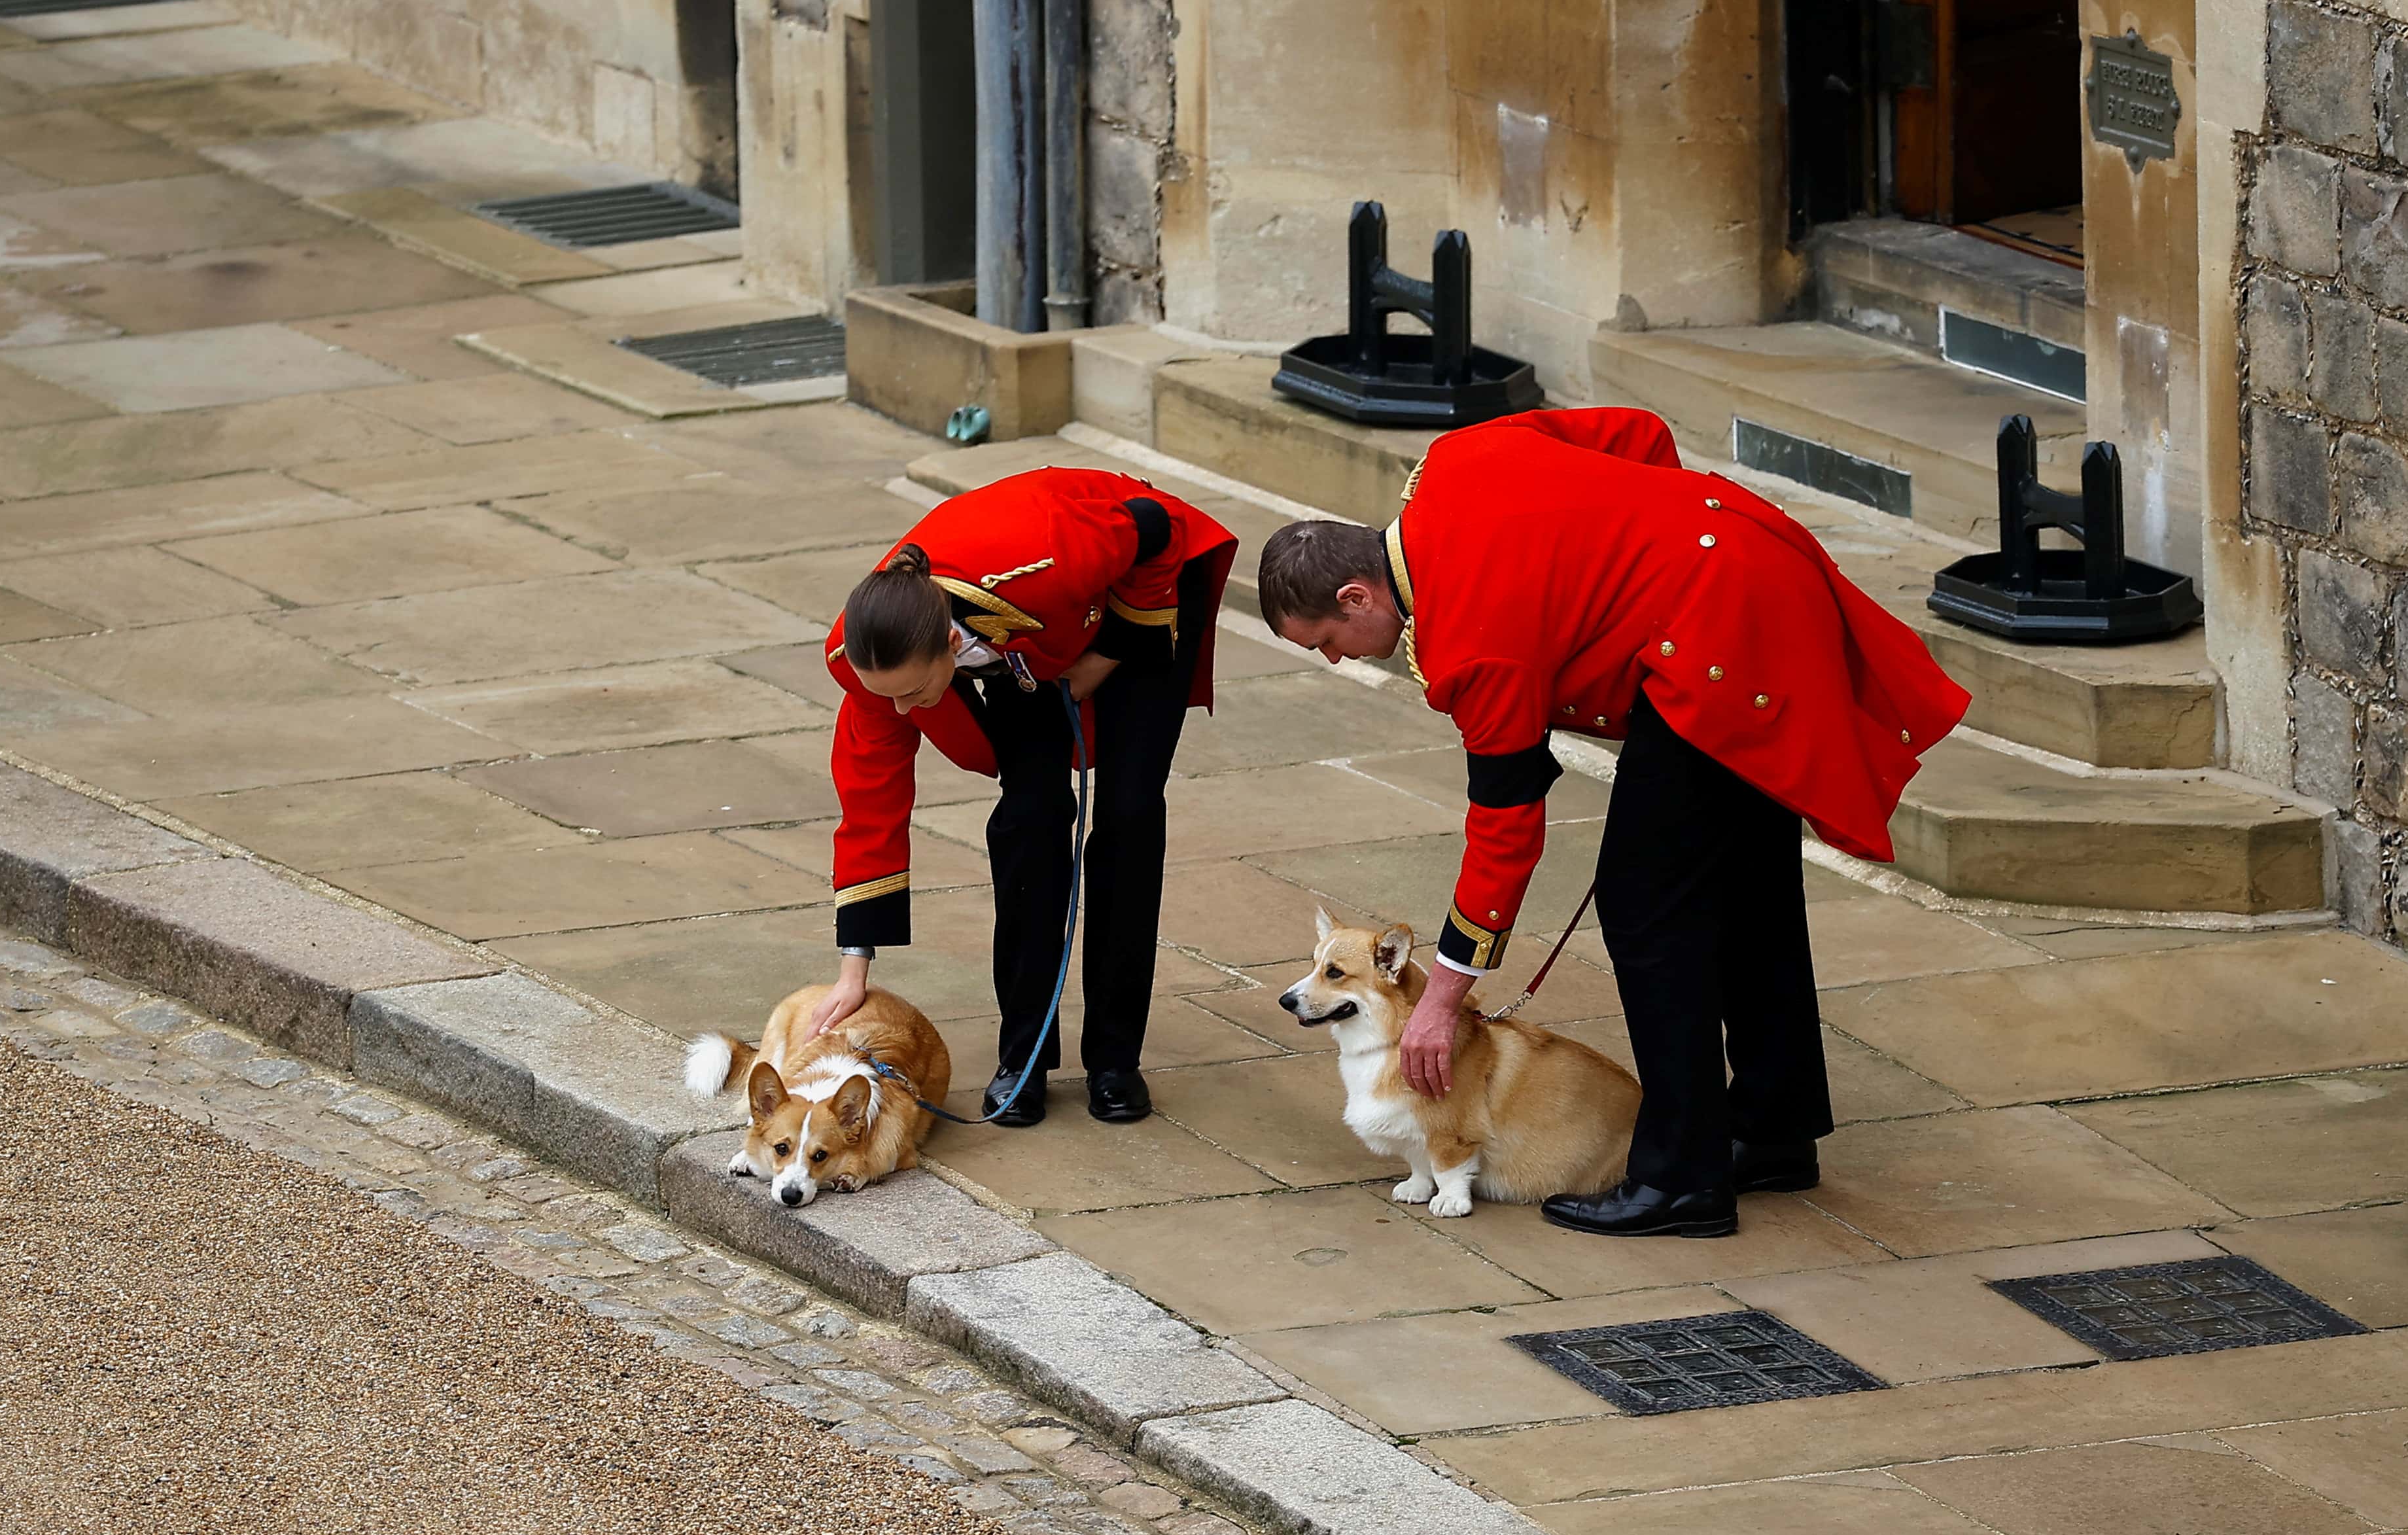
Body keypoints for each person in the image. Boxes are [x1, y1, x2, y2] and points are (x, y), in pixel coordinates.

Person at [1257, 408, 1968, 1237]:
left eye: (1331, 641)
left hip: (1715, 644)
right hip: (1750, 561)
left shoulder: (1470, 645)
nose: (1340, 658)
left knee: (1647, 911)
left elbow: (1506, 829)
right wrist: (1651, 546)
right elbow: (1636, 434)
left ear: (1356, 593)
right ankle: (1773, 1129)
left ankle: (1682, 1178)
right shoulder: (1453, 461)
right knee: (1747, 883)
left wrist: (1441, 998)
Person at [818, 466, 1240, 1127]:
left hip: (1135, 592)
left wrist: (1105, 656)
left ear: (950, 644)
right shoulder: (869, 660)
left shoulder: (1044, 557)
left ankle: (1114, 1059)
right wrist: (853, 970)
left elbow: (1157, 530)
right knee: (1029, 819)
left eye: (910, 690)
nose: (898, 708)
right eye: (887, 694)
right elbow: (869, 803)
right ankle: (1024, 1057)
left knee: (1128, 813)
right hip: (1028, 649)